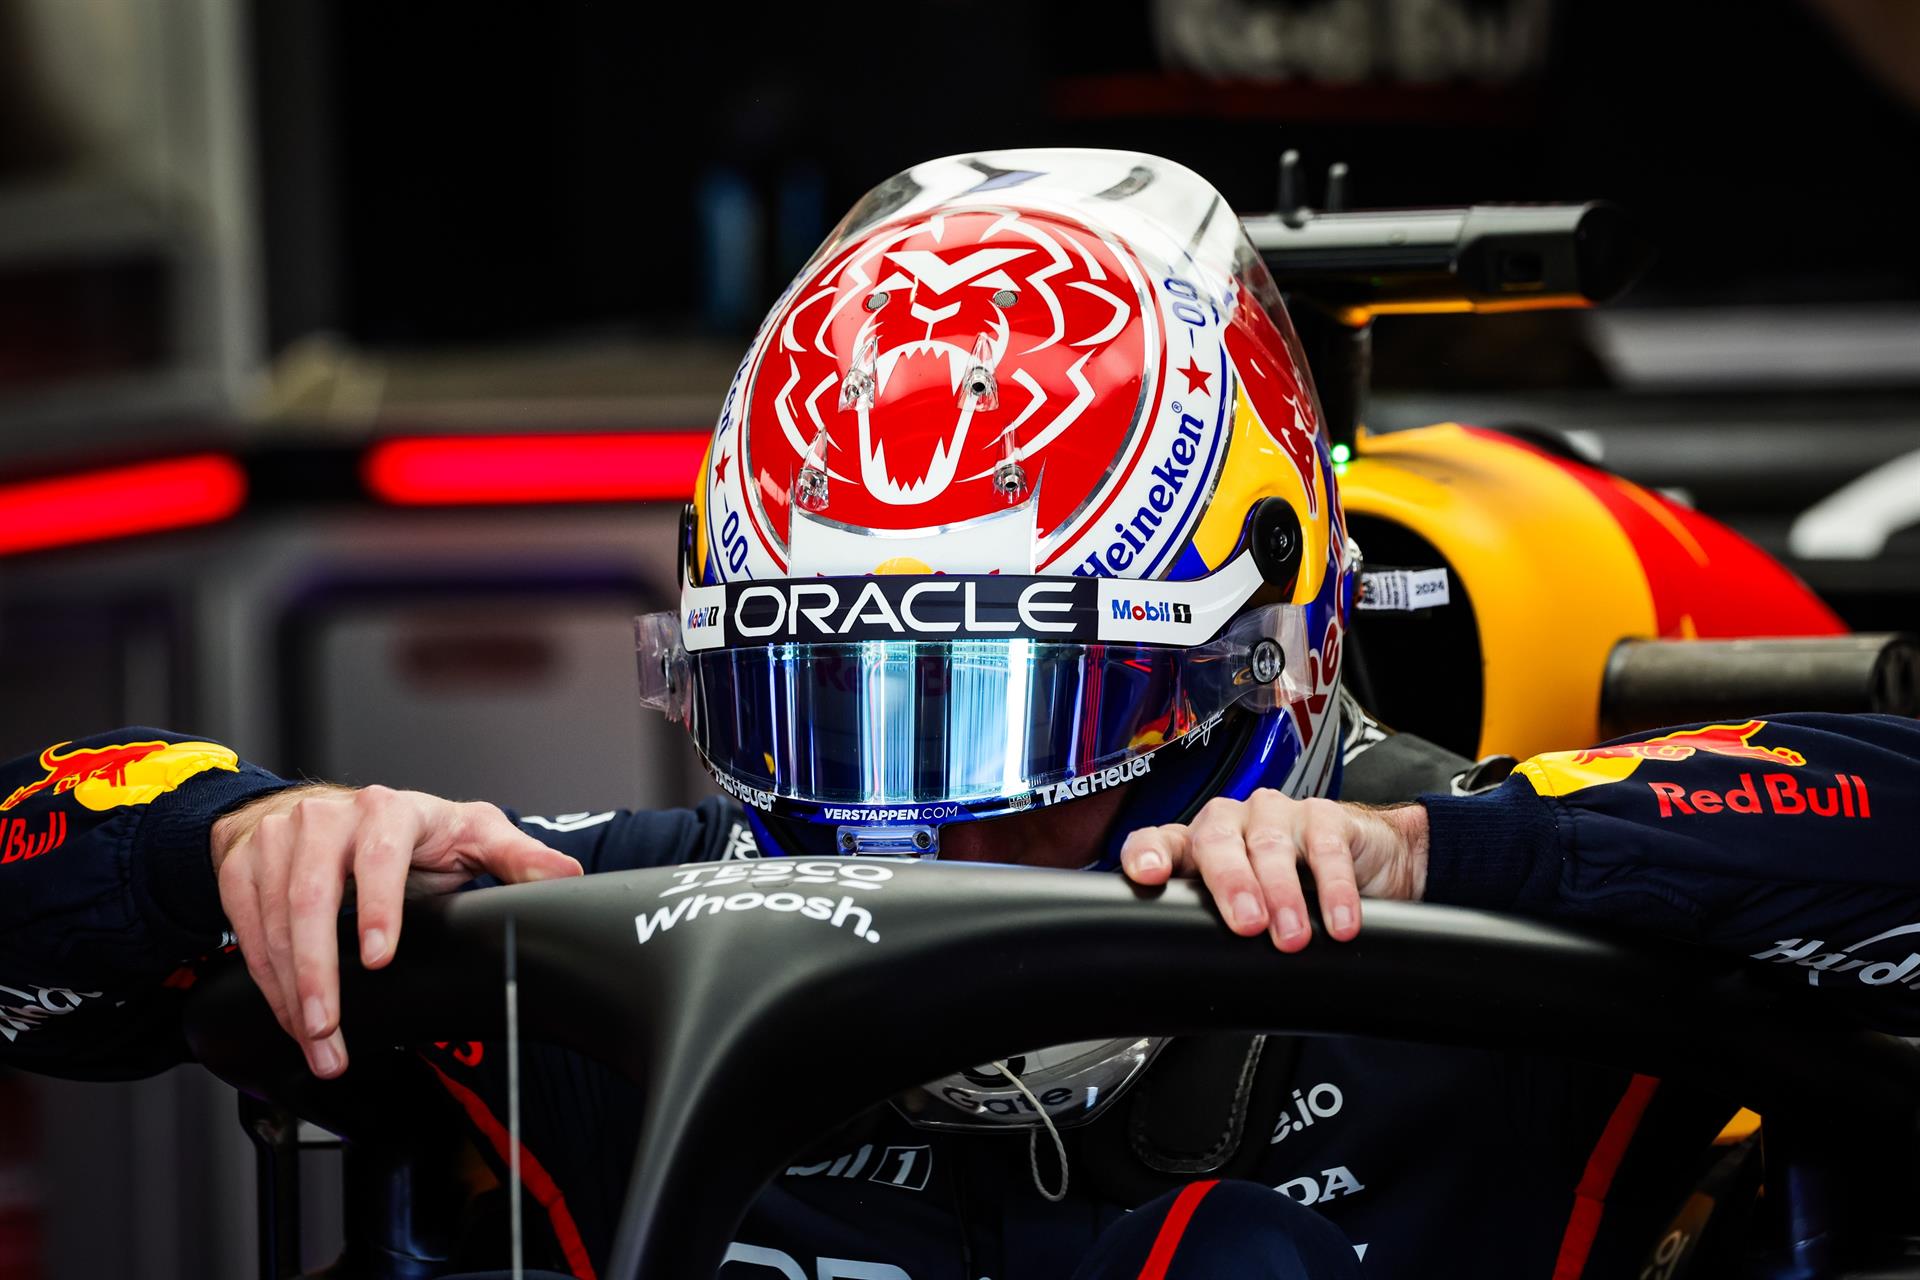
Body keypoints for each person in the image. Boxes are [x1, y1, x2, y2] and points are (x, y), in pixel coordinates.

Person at [4, 149, 1919, 1279]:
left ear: (1258, 667)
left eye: (1016, 713)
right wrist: (231, 845)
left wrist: (1462, 860)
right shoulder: (575, 936)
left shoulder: (1494, 970)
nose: (916, 831)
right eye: (845, 709)